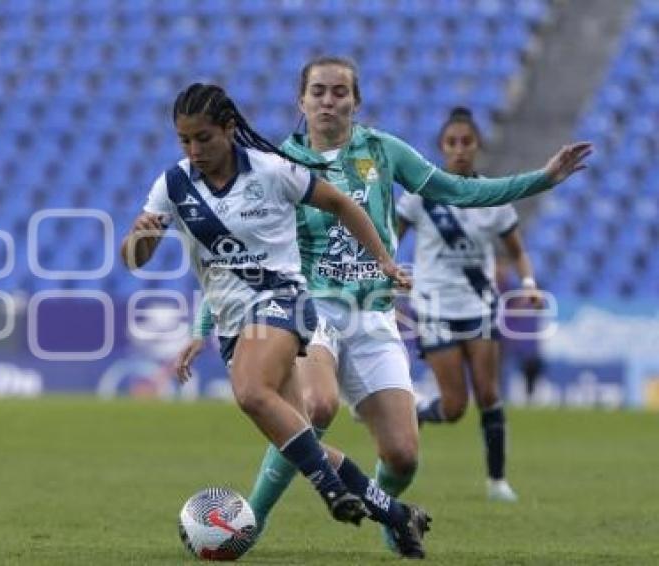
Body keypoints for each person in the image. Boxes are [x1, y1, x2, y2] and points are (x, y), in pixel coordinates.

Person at [177, 57, 591, 554]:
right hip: (307, 310)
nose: (328, 101)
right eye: (318, 92)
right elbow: (234, 253)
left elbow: (458, 190)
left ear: (356, 100)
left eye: (339, 92)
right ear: (301, 101)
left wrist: (541, 179)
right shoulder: (276, 163)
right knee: (316, 406)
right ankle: (250, 522)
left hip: (373, 316)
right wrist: (205, 323)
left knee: (402, 457)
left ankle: (387, 514)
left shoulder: (382, 151)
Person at [121, 82, 432, 558]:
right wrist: (140, 238)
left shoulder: (271, 170)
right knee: (297, 436)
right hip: (233, 325)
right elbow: (134, 259)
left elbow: (342, 203)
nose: (193, 150)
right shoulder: (173, 185)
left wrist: (384, 259)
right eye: (184, 140)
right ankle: (395, 512)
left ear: (228, 129)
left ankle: (331, 492)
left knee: (250, 391)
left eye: (203, 137)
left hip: (282, 299)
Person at [397, 106, 546, 502]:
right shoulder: (419, 197)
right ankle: (417, 412)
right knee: (455, 406)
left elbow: (516, 251)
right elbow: (388, 239)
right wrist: (386, 271)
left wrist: (528, 283)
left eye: (467, 142)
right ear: (441, 148)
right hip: (433, 307)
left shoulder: (494, 198)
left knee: (489, 394)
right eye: (452, 143)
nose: (460, 150)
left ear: (477, 146)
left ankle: (497, 482)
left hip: (479, 307)